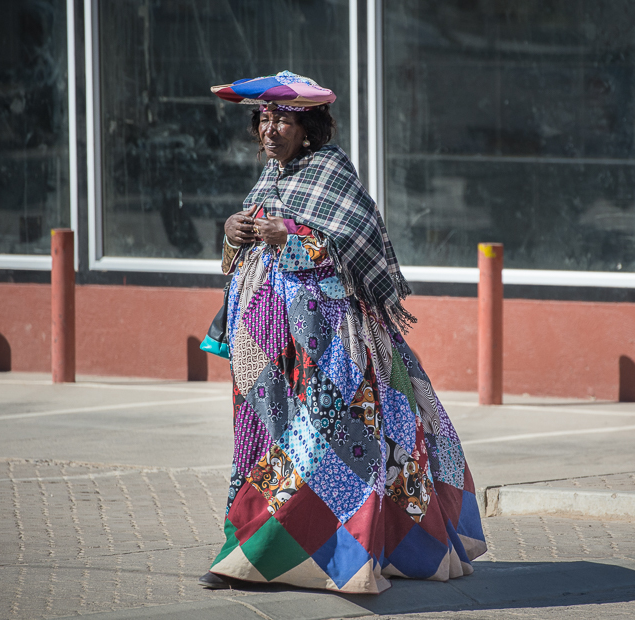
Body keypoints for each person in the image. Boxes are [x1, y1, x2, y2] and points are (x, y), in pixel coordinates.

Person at [200, 71, 486, 594]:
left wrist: (295, 234)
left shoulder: (331, 172)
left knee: (323, 447)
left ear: (309, 126)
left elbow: (358, 250)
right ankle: (253, 547)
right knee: (263, 447)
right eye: (264, 118)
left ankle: (303, 555)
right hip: (264, 347)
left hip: (327, 345)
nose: (271, 129)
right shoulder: (270, 176)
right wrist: (232, 233)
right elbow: (241, 261)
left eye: (283, 118)